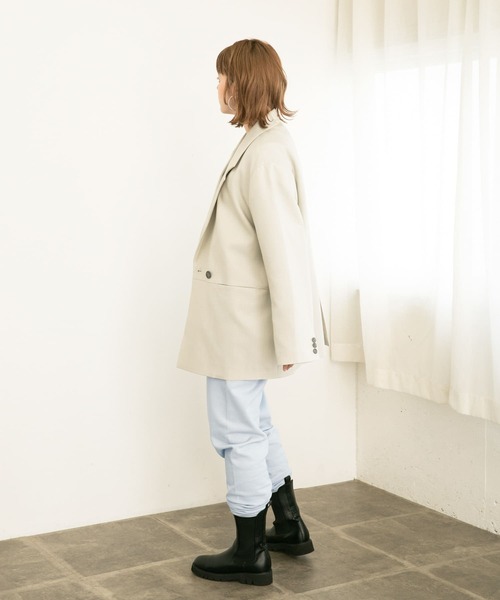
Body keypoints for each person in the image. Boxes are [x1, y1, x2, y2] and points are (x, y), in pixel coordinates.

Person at [177, 39, 327, 586]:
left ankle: (250, 551)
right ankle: (287, 524)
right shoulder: (262, 142)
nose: (217, 87)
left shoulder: (264, 153)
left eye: (223, 77)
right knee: (254, 423)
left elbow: (285, 252)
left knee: (235, 431)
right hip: (238, 321)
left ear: (242, 83)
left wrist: (292, 338)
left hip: (240, 325)